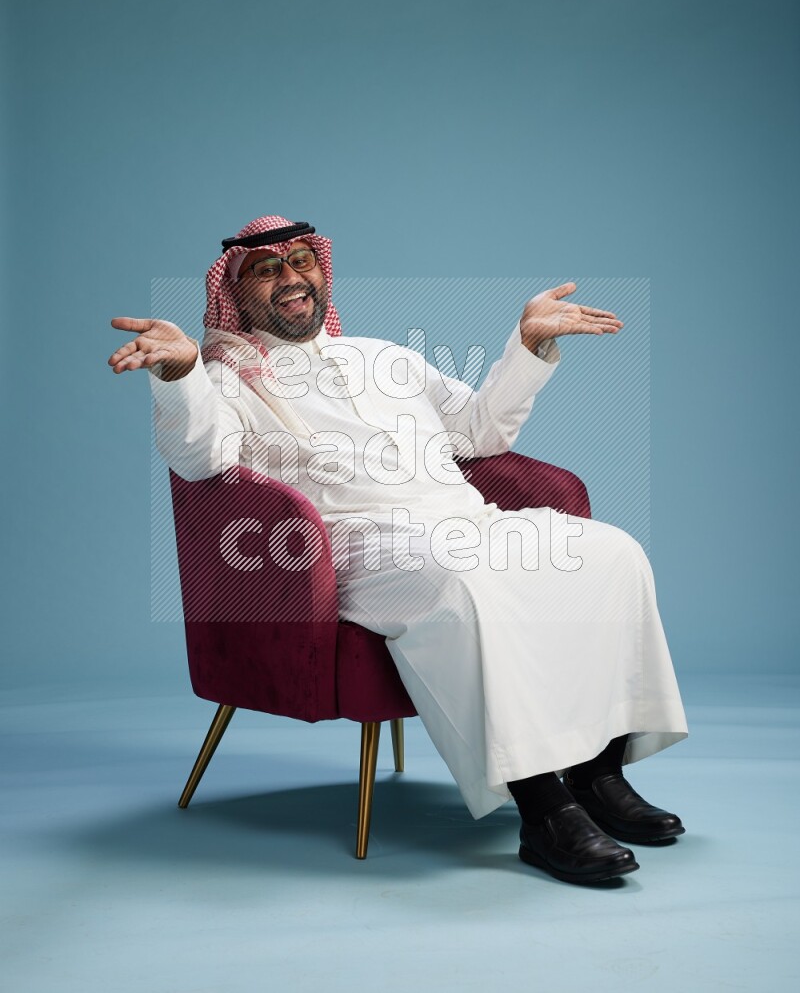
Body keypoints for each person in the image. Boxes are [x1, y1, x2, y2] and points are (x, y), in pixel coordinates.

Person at [108, 214, 688, 886]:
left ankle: (597, 773)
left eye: (302, 262)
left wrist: (527, 345)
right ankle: (544, 810)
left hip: (464, 520)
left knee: (612, 553)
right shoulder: (228, 382)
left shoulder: (384, 356)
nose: (291, 279)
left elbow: (478, 433)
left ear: (322, 272)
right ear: (234, 294)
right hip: (352, 552)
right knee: (465, 582)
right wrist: (181, 374)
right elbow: (200, 456)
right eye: (266, 270)